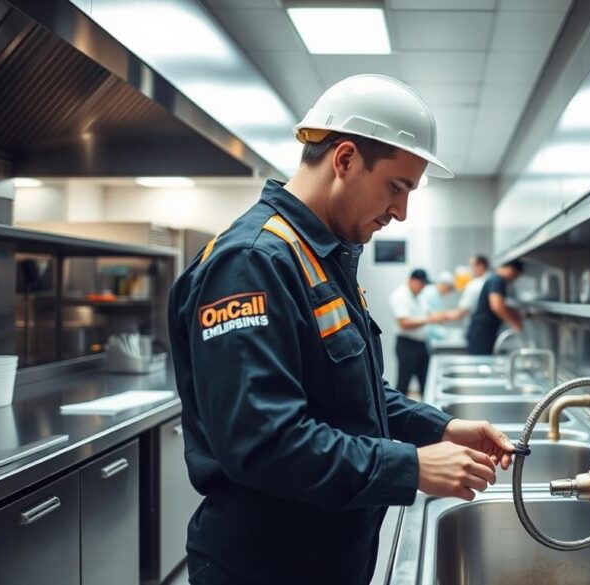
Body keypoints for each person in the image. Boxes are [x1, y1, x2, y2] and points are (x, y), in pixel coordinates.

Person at [167, 75, 514, 585]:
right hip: (266, 567)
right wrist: (410, 467)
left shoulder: (318, 257)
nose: (401, 211)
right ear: (345, 159)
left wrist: (438, 427)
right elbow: (264, 443)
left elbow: (352, 392)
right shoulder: (252, 262)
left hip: (322, 560)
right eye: (397, 187)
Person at [389, 268, 445, 396]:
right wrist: (429, 320)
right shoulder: (399, 296)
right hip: (406, 345)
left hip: (421, 344)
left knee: (427, 383)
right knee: (403, 384)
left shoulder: (419, 296)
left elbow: (427, 313)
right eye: (422, 284)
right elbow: (404, 323)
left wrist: (443, 316)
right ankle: (396, 415)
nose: (423, 287)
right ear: (413, 281)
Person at [465, 259, 525, 355]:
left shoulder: (494, 278)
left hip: (481, 332)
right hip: (482, 333)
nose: (513, 280)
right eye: (516, 276)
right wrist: (514, 323)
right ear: (511, 270)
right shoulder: (497, 280)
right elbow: (496, 306)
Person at [452, 254, 490, 322]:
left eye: (472, 266)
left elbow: (461, 311)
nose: (470, 270)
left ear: (481, 266)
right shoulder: (494, 280)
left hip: (479, 324)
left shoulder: (475, 284)